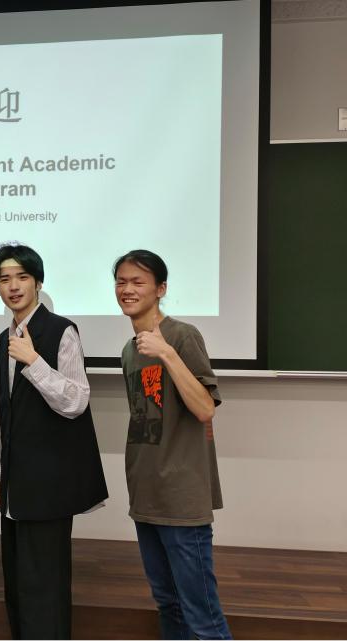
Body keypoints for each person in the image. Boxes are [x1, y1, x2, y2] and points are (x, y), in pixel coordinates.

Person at [0, 244, 108, 639]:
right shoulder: (1, 340)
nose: (13, 286)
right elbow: (3, 413)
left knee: (45, 583)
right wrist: (0, 473)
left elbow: (76, 401)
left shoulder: (62, 330)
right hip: (16, 482)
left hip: (50, 481)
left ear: (38, 282)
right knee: (17, 583)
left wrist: (34, 361)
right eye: (4, 279)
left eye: (22, 277)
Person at [113, 249, 232, 640]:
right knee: (168, 604)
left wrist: (166, 353)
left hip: (181, 496)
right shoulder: (129, 350)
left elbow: (204, 408)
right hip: (146, 493)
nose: (128, 289)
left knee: (202, 615)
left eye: (138, 281)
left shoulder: (182, 336)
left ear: (160, 289)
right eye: (121, 281)